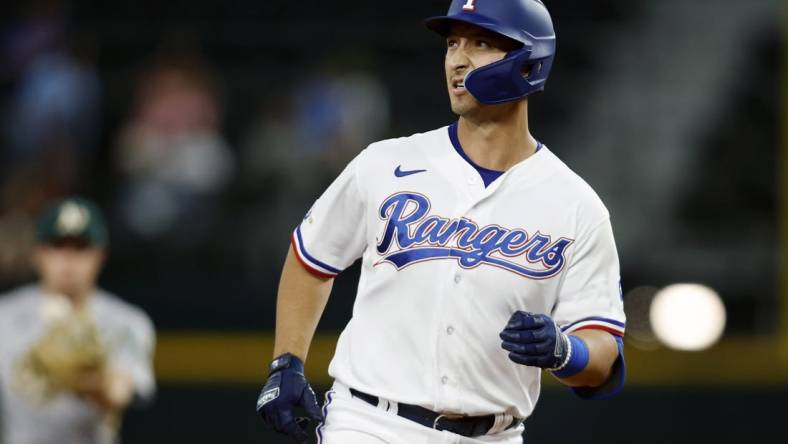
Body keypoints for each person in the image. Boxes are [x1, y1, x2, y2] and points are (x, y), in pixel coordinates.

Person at [256, 1, 626, 443]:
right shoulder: (386, 163)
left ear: (530, 63)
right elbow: (311, 259)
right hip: (369, 423)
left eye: (482, 43)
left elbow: (603, 353)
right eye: (453, 43)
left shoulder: (576, 205)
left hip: (494, 434)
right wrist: (287, 361)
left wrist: (567, 351)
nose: (458, 59)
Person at [0, 197, 156, 444]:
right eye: (58, 245)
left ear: (100, 255)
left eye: (81, 247)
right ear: (38, 254)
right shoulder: (4, 316)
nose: (69, 259)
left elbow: (120, 392)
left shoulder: (125, 321)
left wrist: (85, 379)